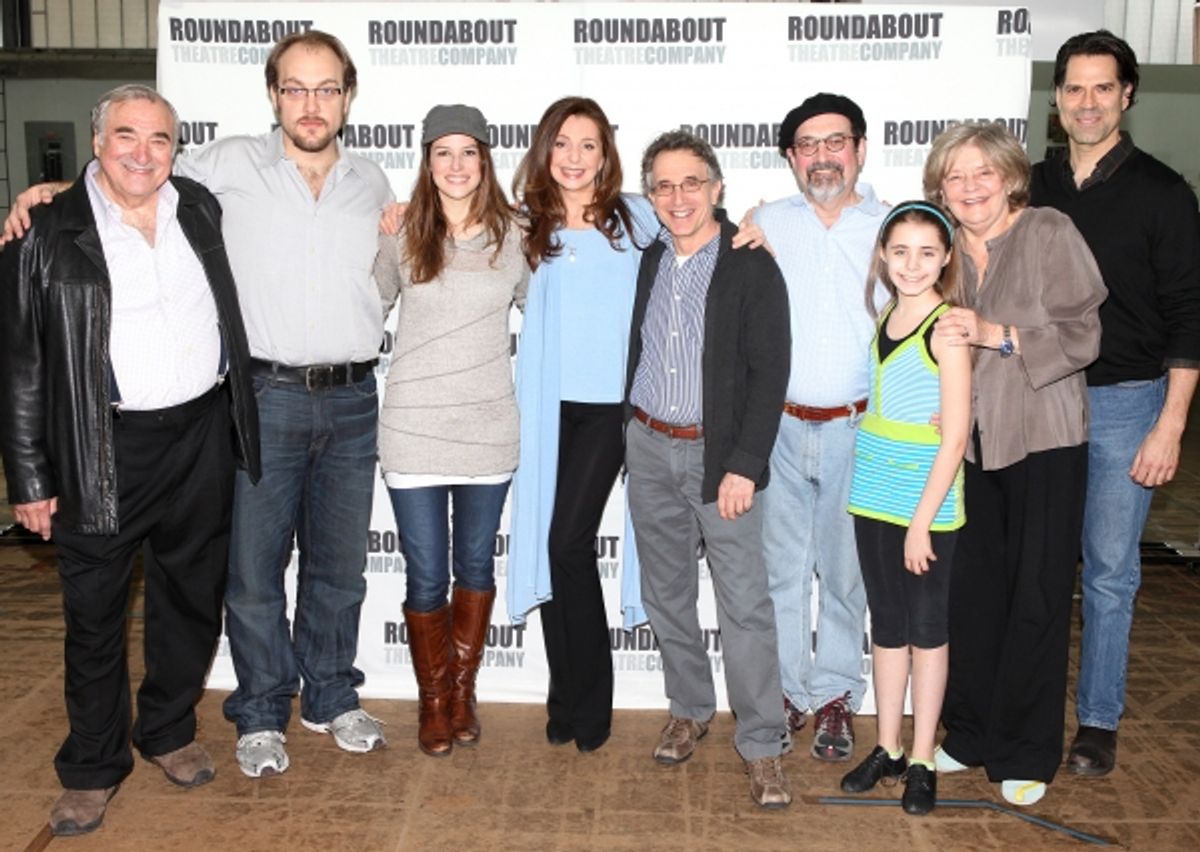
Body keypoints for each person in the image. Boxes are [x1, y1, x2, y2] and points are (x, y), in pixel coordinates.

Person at [3, 30, 394, 779]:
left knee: (327, 572)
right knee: (247, 577)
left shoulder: (370, 182)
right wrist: (48, 194)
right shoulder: (221, 166)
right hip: (255, 401)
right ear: (273, 94)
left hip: (335, 404)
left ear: (348, 97)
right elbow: (125, 178)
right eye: (294, 88)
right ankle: (250, 714)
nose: (310, 104)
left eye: (327, 89)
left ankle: (323, 696)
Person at [0, 85, 259, 836]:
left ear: (176, 149)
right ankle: (90, 766)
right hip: (99, 446)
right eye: (126, 136)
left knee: (189, 601)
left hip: (203, 435)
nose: (142, 153)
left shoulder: (201, 207)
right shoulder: (45, 229)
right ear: (95, 141)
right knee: (94, 617)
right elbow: (19, 366)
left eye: (159, 140)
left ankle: (169, 731)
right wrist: (31, 477)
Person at [1031, 30, 1200, 777]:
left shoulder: (1164, 192)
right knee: (1032, 565)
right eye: (1075, 88)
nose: (1088, 102)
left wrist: (1171, 423)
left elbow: (1191, 314)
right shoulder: (1032, 186)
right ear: (1058, 98)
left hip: (1130, 403)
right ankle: (1026, 707)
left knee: (1106, 572)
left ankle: (1098, 718)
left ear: (1127, 94)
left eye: (1103, 88)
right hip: (1038, 398)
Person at [925, 122, 1106, 806]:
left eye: (982, 174)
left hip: (1045, 441)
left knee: (1036, 595)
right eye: (955, 177)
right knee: (973, 598)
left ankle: (1027, 750)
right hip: (970, 444)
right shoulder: (943, 250)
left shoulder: (1049, 231)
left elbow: (1085, 334)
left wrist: (997, 334)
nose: (969, 188)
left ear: (1009, 176)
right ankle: (970, 733)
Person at [625, 130, 792, 808]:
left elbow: (770, 370)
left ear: (717, 188)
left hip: (717, 457)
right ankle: (689, 707)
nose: (678, 197)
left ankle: (762, 744)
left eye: (691, 182)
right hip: (646, 445)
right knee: (666, 594)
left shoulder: (750, 263)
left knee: (745, 607)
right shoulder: (650, 259)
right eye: (663, 186)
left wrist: (743, 465)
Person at [373, 105, 527, 757]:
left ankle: (463, 693)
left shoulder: (518, 233)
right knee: (426, 576)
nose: (457, 165)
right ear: (427, 160)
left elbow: (552, 313)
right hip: (412, 430)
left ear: (486, 160)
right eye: (444, 152)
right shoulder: (401, 231)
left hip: (489, 429)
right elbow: (365, 302)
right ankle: (433, 703)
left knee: (474, 566)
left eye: (470, 152)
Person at [507, 96, 657, 752]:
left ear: (606, 153)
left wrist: (757, 222)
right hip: (545, 410)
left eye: (588, 144)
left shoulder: (637, 219)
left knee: (568, 543)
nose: (573, 157)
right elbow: (450, 230)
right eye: (562, 143)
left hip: (608, 412)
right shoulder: (525, 226)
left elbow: (708, 233)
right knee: (550, 547)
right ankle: (563, 696)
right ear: (545, 150)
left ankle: (590, 701)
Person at [753, 93, 888, 762]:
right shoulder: (765, 222)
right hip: (776, 430)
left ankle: (835, 696)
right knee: (779, 571)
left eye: (836, 141)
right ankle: (783, 692)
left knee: (844, 573)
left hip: (858, 431)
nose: (823, 155)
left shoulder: (894, 228)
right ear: (791, 158)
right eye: (808, 145)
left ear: (860, 149)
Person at [840, 201, 970, 816]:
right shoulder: (886, 314)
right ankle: (887, 746)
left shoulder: (947, 330)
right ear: (884, 257)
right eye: (900, 252)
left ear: (946, 257)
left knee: (927, 631)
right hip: (874, 497)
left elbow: (956, 437)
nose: (912, 264)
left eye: (926, 252)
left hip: (927, 507)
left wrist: (922, 523)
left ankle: (922, 756)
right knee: (887, 626)